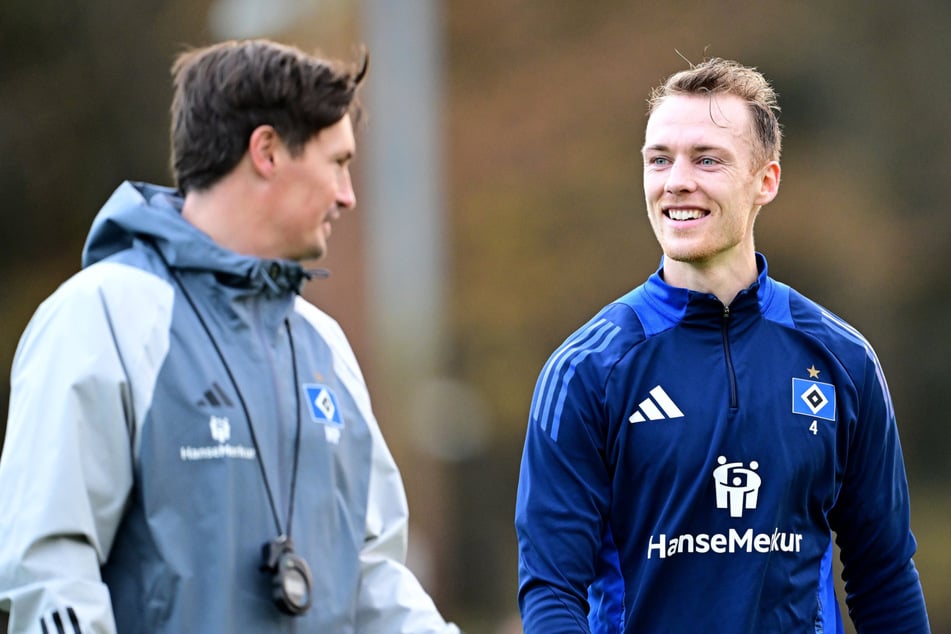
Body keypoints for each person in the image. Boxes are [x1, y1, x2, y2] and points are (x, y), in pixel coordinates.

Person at [0, 39, 461, 634]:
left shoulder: (326, 347)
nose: (348, 195)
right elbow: (48, 569)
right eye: (338, 163)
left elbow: (374, 577)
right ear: (267, 151)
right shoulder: (99, 318)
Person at [515, 57, 931, 633]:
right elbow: (551, 591)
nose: (676, 180)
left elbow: (883, 574)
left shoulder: (843, 361)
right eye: (659, 160)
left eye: (707, 159)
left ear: (766, 180)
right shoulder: (586, 370)